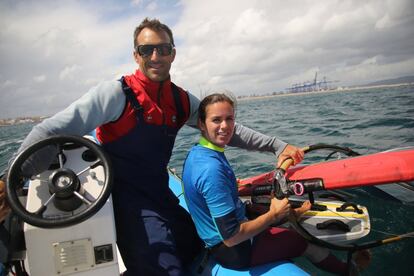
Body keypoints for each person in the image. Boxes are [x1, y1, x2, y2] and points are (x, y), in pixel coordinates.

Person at [0, 18, 304, 275]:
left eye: (163, 48)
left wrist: (278, 146)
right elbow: (52, 130)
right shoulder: (116, 94)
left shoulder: (180, 100)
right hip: (126, 199)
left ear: (173, 54)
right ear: (136, 55)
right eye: (147, 49)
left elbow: (223, 128)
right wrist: (9, 181)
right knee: (163, 267)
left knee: (192, 248)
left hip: (160, 192)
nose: (156, 55)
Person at [182, 93, 371, 275]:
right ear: (201, 124)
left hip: (222, 232)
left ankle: (289, 216)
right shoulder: (211, 170)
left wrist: (233, 188)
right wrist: (273, 215)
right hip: (234, 250)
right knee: (304, 243)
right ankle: (349, 271)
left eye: (229, 119)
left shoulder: (199, 153)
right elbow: (231, 237)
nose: (225, 126)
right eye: (216, 120)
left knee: (271, 209)